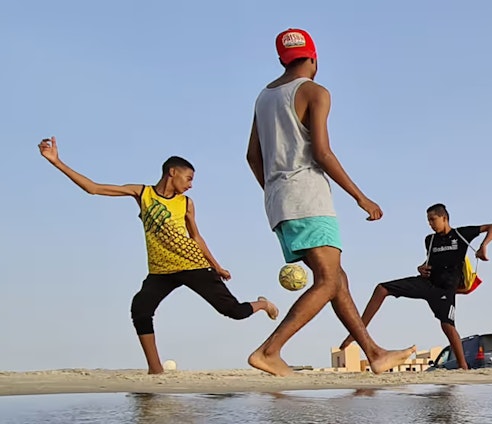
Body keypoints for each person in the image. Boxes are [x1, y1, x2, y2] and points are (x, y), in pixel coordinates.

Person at [245, 28, 413, 376]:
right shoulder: (315, 92)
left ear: (281, 59)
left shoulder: (263, 98)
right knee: (327, 281)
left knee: (338, 279)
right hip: (308, 197)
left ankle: (374, 352)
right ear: (315, 58)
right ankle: (269, 350)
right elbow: (321, 152)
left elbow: (252, 156)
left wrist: (275, 191)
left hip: (279, 201)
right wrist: (360, 197)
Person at [38, 137, 278, 374]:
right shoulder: (142, 193)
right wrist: (57, 162)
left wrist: (216, 266)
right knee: (140, 308)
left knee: (234, 311)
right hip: (161, 270)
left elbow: (196, 237)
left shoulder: (186, 203)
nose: (191, 184)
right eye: (189, 178)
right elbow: (94, 188)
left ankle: (262, 303)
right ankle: (155, 369)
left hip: (192, 264)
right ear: (172, 172)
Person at [340, 204, 492, 370]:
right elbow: (430, 262)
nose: (430, 224)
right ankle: (356, 332)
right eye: (428, 220)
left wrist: (483, 246)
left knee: (448, 326)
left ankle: (463, 367)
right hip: (426, 283)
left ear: (444, 218)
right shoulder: (429, 240)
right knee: (382, 288)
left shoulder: (461, 234)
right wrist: (421, 268)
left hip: (445, 289)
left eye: (433, 220)